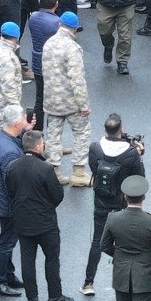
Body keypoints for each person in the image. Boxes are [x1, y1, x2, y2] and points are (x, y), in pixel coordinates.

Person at [5, 130, 71, 301]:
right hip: (45, 223)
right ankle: (55, 297)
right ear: (38, 146)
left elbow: (10, 192)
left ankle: (32, 299)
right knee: (51, 259)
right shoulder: (46, 168)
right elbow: (57, 195)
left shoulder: (12, 167)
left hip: (22, 222)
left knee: (27, 260)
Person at [84, 114, 146, 295]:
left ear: (105, 130)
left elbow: (94, 168)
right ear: (120, 130)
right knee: (124, 244)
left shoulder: (95, 148)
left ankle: (88, 283)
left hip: (101, 202)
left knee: (97, 241)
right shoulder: (131, 153)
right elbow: (139, 179)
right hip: (122, 204)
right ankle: (126, 283)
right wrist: (139, 156)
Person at [41, 11, 91, 186]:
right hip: (71, 102)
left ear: (59, 25)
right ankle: (78, 173)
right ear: (74, 29)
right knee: (82, 133)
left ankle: (54, 172)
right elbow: (77, 78)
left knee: (53, 136)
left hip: (51, 100)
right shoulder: (72, 48)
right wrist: (83, 104)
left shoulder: (48, 44)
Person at [0, 110, 31, 298]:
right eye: (23, 118)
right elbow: (13, 183)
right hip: (9, 203)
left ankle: (8, 274)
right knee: (7, 242)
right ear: (16, 123)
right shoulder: (11, 152)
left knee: (7, 238)